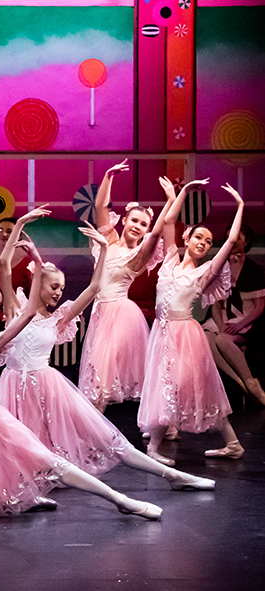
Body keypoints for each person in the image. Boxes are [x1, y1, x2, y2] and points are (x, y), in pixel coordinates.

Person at [0, 224, 162, 521]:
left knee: (39, 456)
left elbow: (29, 310)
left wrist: (35, 257)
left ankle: (118, 499)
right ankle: (26, 496)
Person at [0, 208, 213, 490]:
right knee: (23, 446)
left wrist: (102, 249)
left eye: (61, 288)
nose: (59, 293)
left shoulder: (60, 318)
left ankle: (176, 477)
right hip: (15, 388)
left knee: (109, 439)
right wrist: (21, 225)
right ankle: (31, 488)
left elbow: (96, 286)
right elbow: (3, 263)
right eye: (54, 287)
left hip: (48, 387)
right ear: (39, 283)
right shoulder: (15, 310)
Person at [140, 178, 246, 462]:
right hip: (161, 332)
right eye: (199, 237)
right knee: (165, 384)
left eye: (208, 242)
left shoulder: (204, 273)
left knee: (189, 388)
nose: (204, 243)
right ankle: (156, 447)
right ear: (187, 238)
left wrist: (240, 206)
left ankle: (231, 443)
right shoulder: (170, 260)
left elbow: (232, 241)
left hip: (184, 335)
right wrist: (183, 192)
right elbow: (169, 220)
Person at [78, 160, 163, 411]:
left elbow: (157, 236)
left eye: (143, 224)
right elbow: (100, 206)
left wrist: (170, 202)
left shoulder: (140, 254)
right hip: (100, 312)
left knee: (101, 378)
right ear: (125, 220)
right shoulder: (109, 241)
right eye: (134, 221)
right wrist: (108, 176)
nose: (137, 227)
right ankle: (165, 427)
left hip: (121, 316)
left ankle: (96, 433)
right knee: (95, 373)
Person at [202, 224, 265, 405]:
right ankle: (241, 384)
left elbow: (259, 306)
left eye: (237, 237)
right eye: (230, 237)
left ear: (246, 242)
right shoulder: (221, 267)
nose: (234, 241)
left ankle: (249, 381)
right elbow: (215, 304)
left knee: (222, 340)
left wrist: (239, 324)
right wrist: (221, 326)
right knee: (206, 338)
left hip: (250, 322)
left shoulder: (254, 270)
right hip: (225, 317)